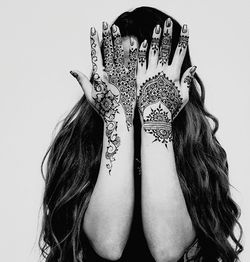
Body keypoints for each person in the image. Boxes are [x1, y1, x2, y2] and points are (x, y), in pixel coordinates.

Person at [39, 6, 243, 262]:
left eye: (148, 66)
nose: (135, 81)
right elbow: (108, 244)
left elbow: (167, 250)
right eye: (124, 67)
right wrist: (117, 117)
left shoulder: (199, 151)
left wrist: (156, 116)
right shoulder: (76, 144)